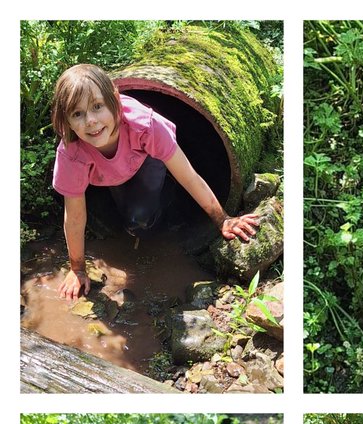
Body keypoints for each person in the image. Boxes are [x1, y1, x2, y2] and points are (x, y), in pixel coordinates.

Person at [51, 64, 261, 302]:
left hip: (147, 158)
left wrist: (222, 219)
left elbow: (189, 176)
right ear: (66, 121)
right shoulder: (72, 153)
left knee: (140, 219)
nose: (90, 121)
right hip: (109, 173)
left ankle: (166, 192)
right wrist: (77, 269)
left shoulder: (146, 126)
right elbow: (75, 215)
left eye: (98, 107)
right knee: (127, 214)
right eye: (77, 114)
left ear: (115, 101)